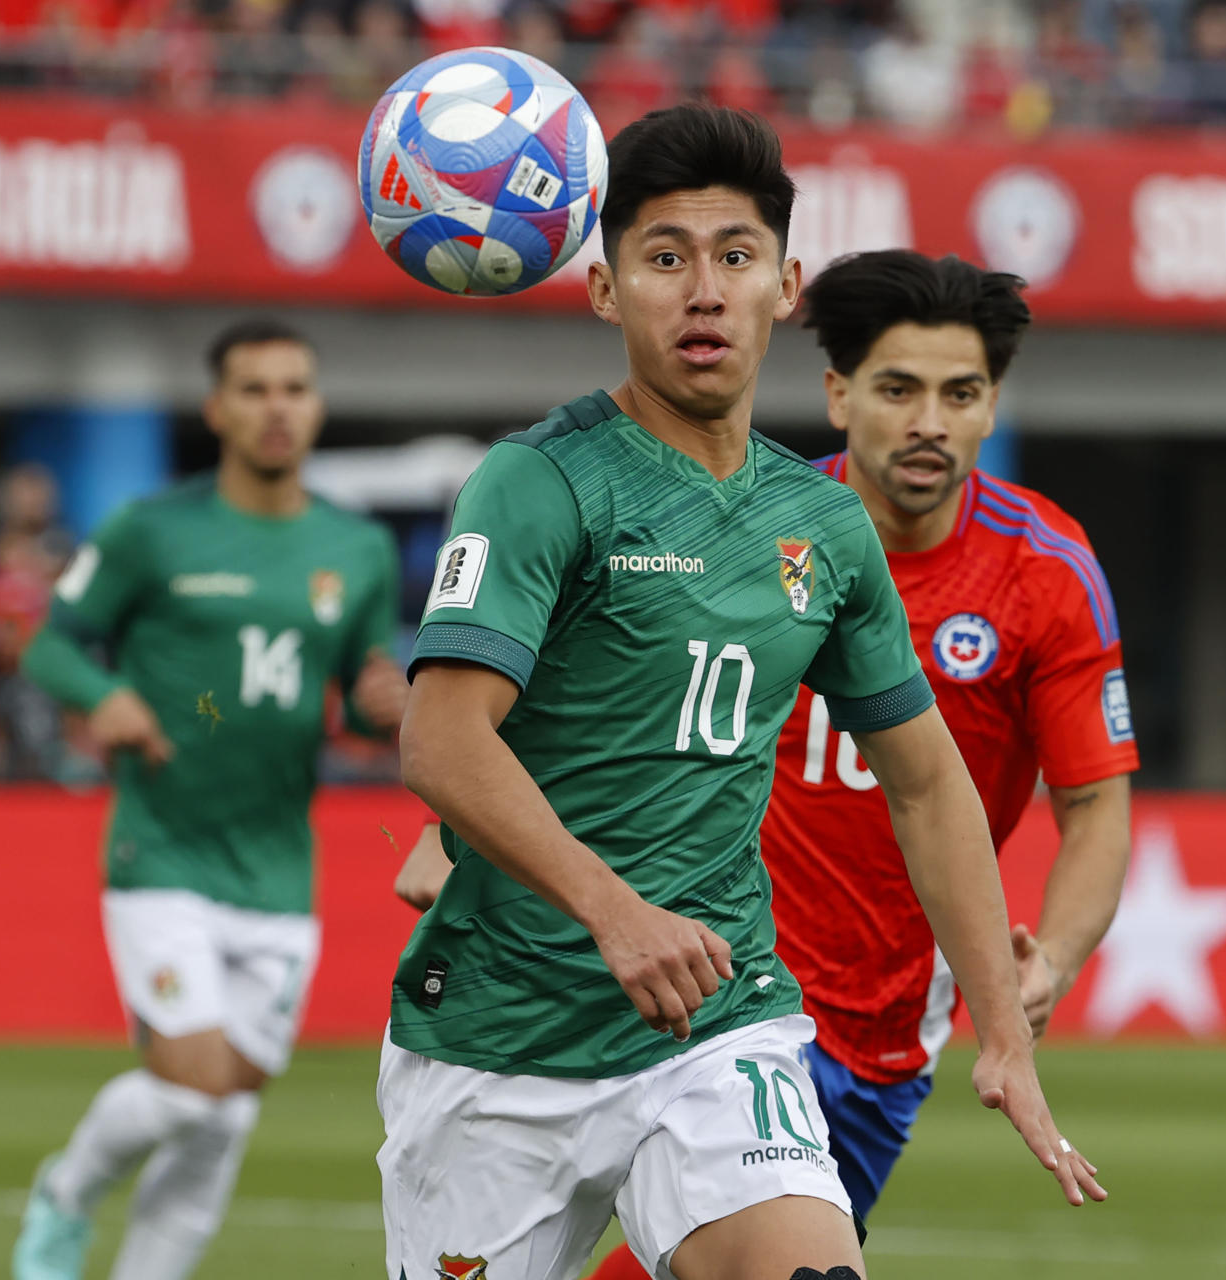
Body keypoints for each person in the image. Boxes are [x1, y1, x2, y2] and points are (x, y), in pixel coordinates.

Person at [382, 105, 1100, 1280]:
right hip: (502, 1033)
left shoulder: (821, 525)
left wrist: (1005, 1031)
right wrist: (616, 914)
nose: (704, 290)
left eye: (735, 256)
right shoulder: (535, 482)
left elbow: (928, 784)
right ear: (607, 291)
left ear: (786, 284)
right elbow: (443, 742)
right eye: (665, 259)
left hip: (722, 1022)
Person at [583, 250, 1139, 1279]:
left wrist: (1048, 959)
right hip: (716, 982)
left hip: (882, 1035)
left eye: (959, 393)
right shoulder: (746, 527)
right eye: (898, 388)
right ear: (839, 396)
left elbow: (1097, 804)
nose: (929, 419)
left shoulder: (1047, 573)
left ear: (990, 408)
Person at [10, 319, 408, 1280]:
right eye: (257, 388)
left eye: (295, 388)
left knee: (223, 1114)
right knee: (192, 1087)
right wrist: (104, 696)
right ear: (217, 409)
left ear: (315, 407)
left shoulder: (353, 548)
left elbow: (361, 681)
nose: (279, 407)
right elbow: (54, 642)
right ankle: (66, 1191)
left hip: (276, 869)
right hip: (164, 851)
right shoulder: (153, 531)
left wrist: (386, 697)